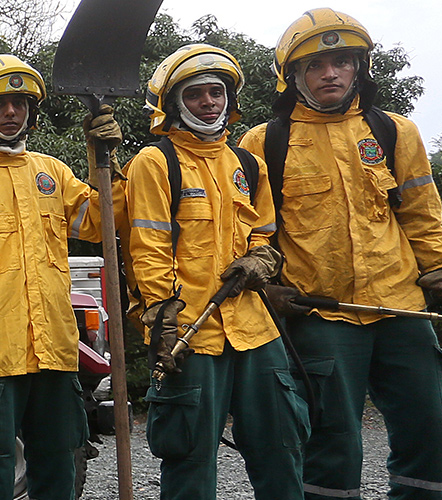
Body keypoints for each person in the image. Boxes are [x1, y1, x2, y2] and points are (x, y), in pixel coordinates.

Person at [239, 9, 442, 499]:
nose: (329, 73)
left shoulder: (396, 132)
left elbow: (421, 217)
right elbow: (252, 234)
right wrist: (268, 289)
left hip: (401, 306)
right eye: (315, 65)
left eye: (342, 61)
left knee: (429, 431)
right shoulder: (263, 143)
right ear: (292, 77)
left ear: (360, 69)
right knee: (333, 442)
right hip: (321, 314)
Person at [124, 44, 310, 500]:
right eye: (196, 95)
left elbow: (265, 235)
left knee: (281, 448)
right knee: (189, 454)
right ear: (173, 105)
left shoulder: (249, 165)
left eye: (217, 92)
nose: (209, 102)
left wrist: (261, 260)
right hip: (191, 332)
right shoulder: (155, 161)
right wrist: (162, 320)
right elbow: (147, 247)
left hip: (256, 331)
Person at [0, 54, 109, 500]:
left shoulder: (53, 172)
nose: (12, 112)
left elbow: (103, 224)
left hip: (54, 351)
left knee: (57, 463)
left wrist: (100, 155)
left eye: (19, 103)